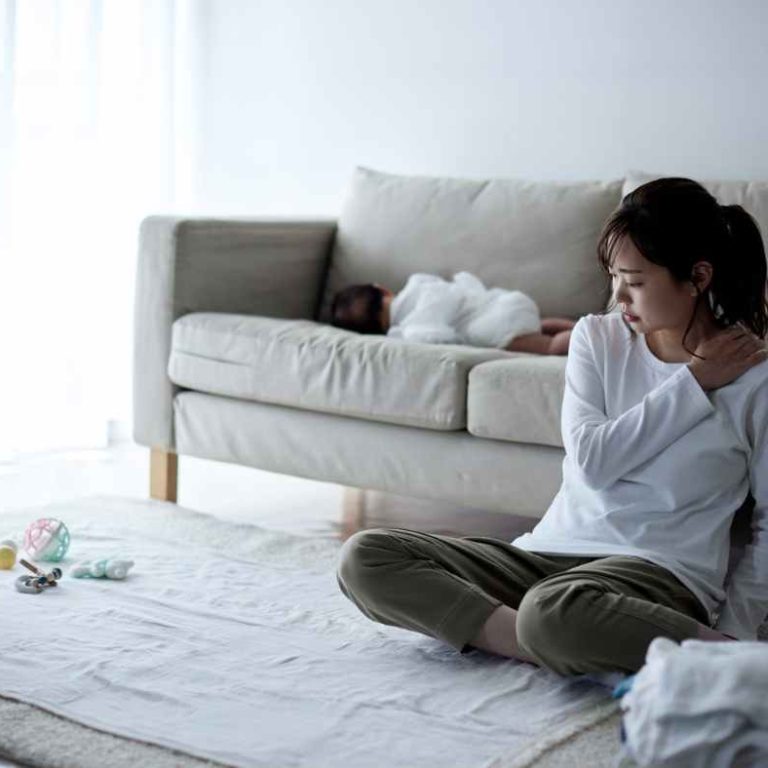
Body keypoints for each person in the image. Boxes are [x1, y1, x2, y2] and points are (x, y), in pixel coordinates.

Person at [335, 177, 768, 676]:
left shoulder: (753, 379)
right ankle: (540, 643)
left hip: (657, 573)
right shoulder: (597, 338)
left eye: (636, 281)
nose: (618, 296)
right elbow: (592, 462)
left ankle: (718, 654)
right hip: (545, 556)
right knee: (365, 556)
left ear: (698, 276)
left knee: (553, 610)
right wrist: (693, 383)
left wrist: (738, 627)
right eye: (613, 277)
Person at [330, 272, 576, 354]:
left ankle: (594, 339)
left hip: (495, 328)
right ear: (382, 289)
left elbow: (439, 336)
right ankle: (590, 325)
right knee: (540, 326)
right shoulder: (419, 283)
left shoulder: (411, 328)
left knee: (551, 346)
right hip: (505, 302)